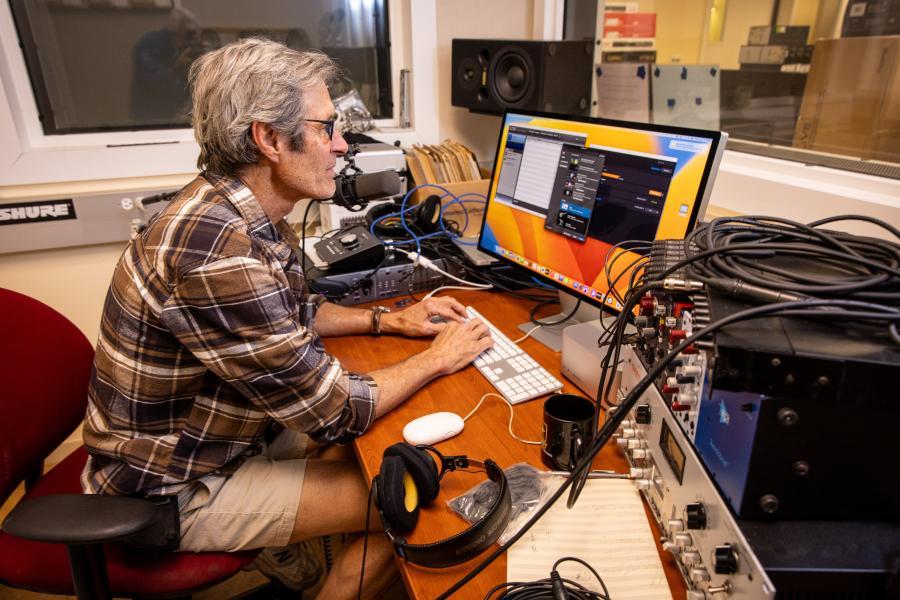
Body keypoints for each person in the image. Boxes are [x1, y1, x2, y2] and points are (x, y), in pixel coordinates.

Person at [83, 38, 493, 599]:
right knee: (413, 496)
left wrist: (388, 323)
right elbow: (338, 411)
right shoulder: (217, 252)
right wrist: (437, 357)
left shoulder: (235, 207)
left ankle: (295, 555)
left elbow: (299, 310)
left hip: (218, 440)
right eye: (327, 128)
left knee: (375, 449)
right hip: (169, 491)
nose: (341, 144)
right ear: (271, 139)